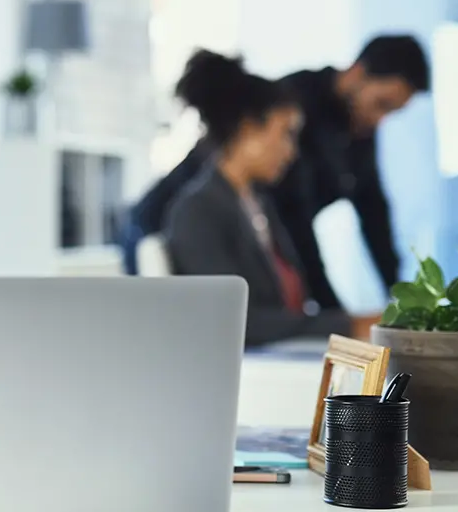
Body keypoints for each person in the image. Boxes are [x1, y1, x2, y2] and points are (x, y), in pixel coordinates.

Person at [123, 35, 431, 311]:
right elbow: (295, 220)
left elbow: (374, 215)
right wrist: (337, 320)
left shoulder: (359, 130)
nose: (380, 121)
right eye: (381, 104)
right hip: (163, 228)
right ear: (356, 73)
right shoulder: (292, 104)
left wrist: (401, 300)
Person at [161, 50, 380, 347]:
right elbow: (236, 321)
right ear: (249, 130)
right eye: (286, 134)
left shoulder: (259, 205)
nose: (292, 152)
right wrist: (348, 324)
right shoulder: (198, 210)